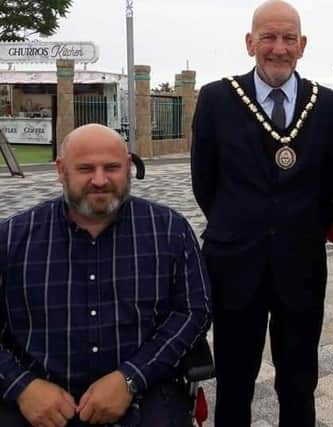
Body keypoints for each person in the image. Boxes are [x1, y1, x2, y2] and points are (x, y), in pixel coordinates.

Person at [190, 1, 333, 425]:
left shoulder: (328, 106)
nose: (278, 48)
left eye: (288, 38)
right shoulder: (217, 98)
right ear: (250, 43)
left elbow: (332, 184)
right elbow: (204, 183)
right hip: (234, 265)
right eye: (268, 37)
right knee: (235, 380)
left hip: (301, 266)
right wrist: (244, 226)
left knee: (299, 382)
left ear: (303, 45)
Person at [0, 124, 212, 427]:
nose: (99, 180)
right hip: (39, 400)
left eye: (111, 167)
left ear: (128, 167)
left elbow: (194, 312)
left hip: (144, 393)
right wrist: (21, 386)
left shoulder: (169, 230)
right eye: (85, 168)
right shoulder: (11, 239)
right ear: (61, 170)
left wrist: (130, 378)